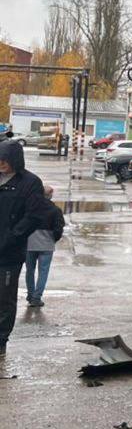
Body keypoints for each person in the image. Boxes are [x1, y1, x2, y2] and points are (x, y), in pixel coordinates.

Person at [0, 139, 45, 355]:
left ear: (15, 160)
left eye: (5, 160)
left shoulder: (30, 182)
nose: (1, 164)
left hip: (9, 254)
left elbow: (34, 216)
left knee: (4, 299)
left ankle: (1, 340)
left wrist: (11, 238)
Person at [25, 185, 63, 308]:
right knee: (43, 271)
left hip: (30, 242)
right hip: (46, 243)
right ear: (50, 194)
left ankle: (30, 294)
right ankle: (37, 297)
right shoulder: (55, 210)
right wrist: (53, 239)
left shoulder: (31, 207)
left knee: (29, 270)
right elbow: (58, 229)